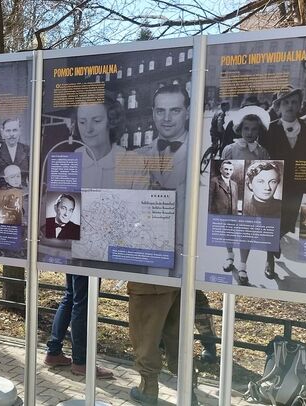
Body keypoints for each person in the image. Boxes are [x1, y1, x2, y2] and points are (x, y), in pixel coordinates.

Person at [128, 85, 189, 405]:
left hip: (183, 257)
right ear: (152, 113)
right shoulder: (139, 156)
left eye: (175, 110)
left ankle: (161, 388)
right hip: (149, 253)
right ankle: (166, 387)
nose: (167, 118)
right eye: (160, 110)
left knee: (162, 326)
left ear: (187, 111)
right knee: (151, 325)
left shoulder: (201, 154)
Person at [264, 86, 306, 276]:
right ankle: (269, 260)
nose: (289, 106)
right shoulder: (269, 129)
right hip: (274, 184)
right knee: (272, 221)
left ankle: (275, 240)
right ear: (278, 106)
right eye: (285, 102)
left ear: (300, 105)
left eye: (294, 102)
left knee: (288, 223)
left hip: (297, 185)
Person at [44, 273, 114, 378]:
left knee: (70, 297)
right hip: (88, 265)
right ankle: (80, 362)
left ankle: (53, 352)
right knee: (82, 304)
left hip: (73, 263)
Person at [74, 99, 130, 189]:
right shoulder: (70, 163)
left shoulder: (134, 164)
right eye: (82, 122)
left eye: (97, 121)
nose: (88, 129)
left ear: (112, 121)